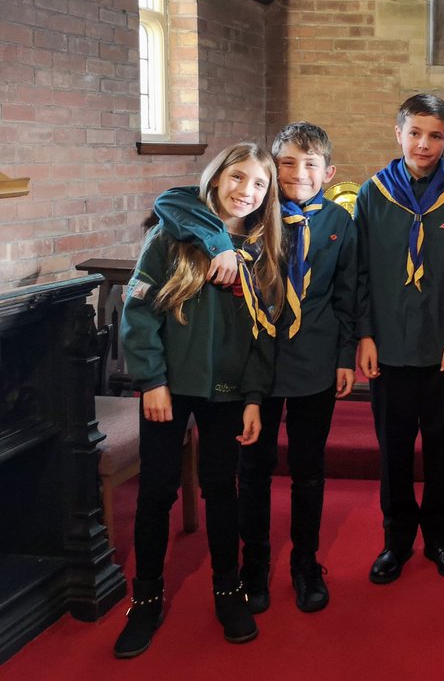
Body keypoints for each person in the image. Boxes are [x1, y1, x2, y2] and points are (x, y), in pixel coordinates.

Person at [152, 123, 357, 615]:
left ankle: (306, 564)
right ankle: (254, 566)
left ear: (327, 173)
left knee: (309, 470)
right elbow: (170, 200)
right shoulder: (248, 215)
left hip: (314, 361)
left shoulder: (339, 221)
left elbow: (351, 291)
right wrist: (219, 242)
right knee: (254, 469)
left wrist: (346, 355)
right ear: (272, 165)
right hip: (252, 365)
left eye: (310, 165)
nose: (297, 174)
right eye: (286, 163)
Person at [114, 143, 282, 658]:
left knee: (220, 487)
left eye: (259, 184)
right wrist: (151, 380)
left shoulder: (262, 249)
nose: (246, 192)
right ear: (215, 177)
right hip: (170, 386)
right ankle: (145, 599)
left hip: (227, 391)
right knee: (156, 492)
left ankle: (227, 592)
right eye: (237, 178)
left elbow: (264, 335)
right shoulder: (172, 235)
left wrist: (254, 397)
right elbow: (138, 312)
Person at [356, 95, 444, 587]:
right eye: (415, 133)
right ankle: (396, 540)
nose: (424, 144)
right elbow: (359, 272)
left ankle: (441, 538)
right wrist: (364, 335)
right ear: (398, 133)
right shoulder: (373, 194)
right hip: (387, 348)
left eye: (434, 135)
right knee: (394, 451)